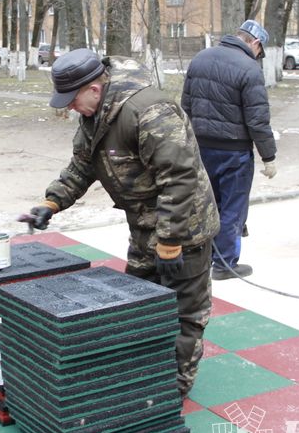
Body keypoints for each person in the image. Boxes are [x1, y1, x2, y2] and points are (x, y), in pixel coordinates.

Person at [24, 48, 220, 399]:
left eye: (72, 99)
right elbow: (82, 167)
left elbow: (180, 178)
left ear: (94, 89)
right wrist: (50, 202)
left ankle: (173, 388)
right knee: (137, 302)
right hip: (145, 227)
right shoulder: (94, 117)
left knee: (184, 312)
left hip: (185, 230)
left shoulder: (149, 110)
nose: (70, 107)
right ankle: (141, 371)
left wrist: (171, 242)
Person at [181, 20, 277, 281]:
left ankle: (202, 257)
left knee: (206, 203)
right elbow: (257, 121)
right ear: (255, 43)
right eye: (261, 50)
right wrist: (269, 156)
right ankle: (225, 264)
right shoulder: (249, 68)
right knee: (233, 208)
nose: (259, 56)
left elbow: (185, 106)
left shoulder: (200, 58)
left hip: (201, 148)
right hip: (234, 153)